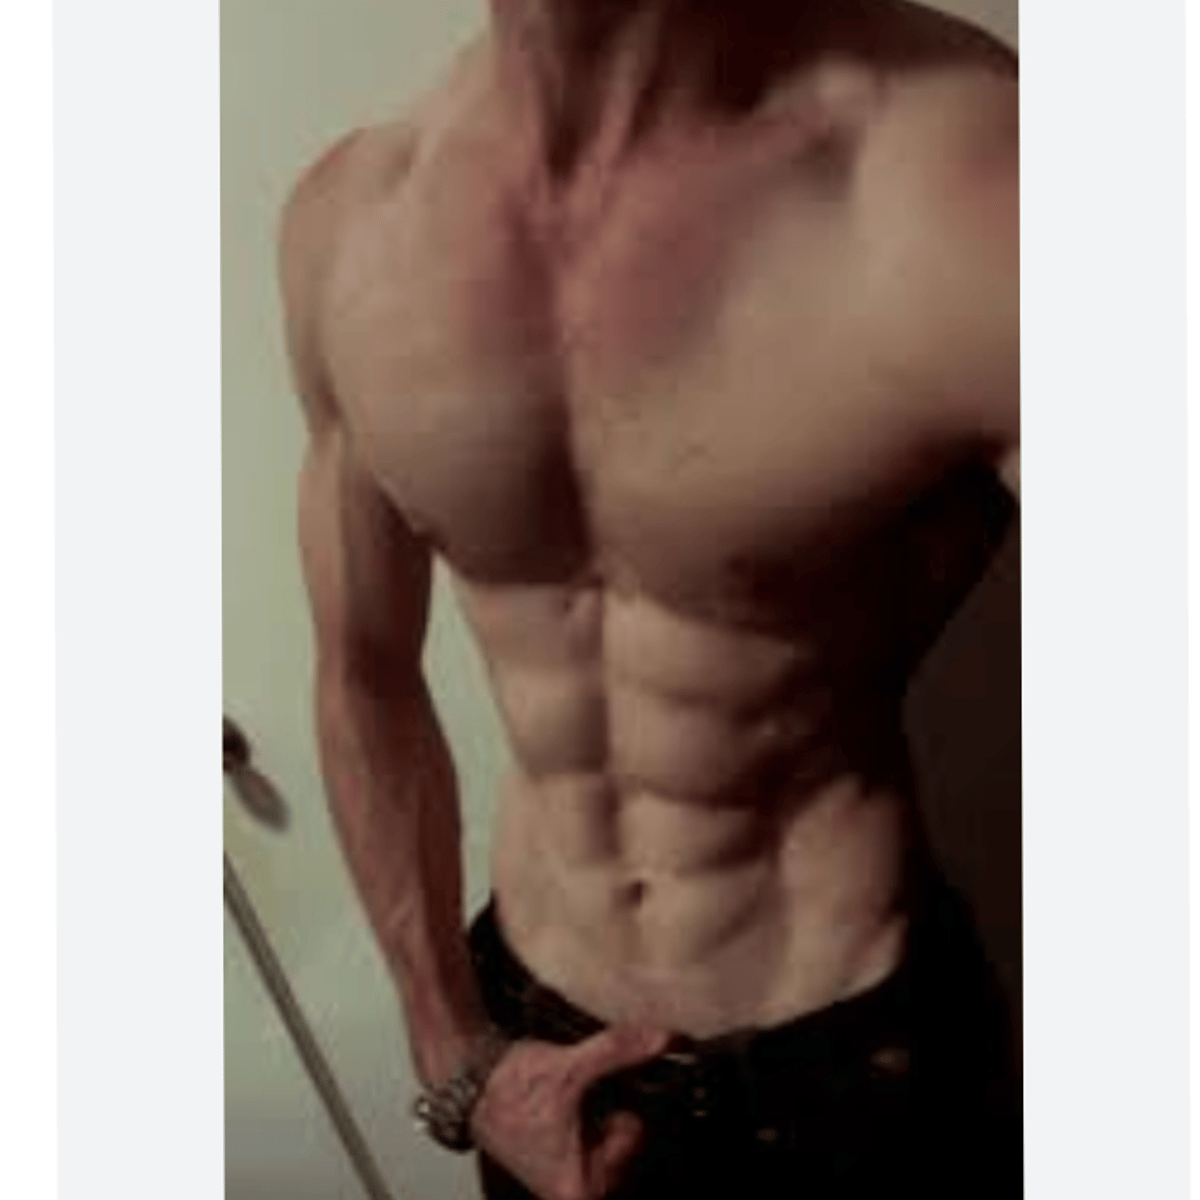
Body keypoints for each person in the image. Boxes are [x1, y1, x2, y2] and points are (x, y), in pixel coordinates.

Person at [280, 0, 1019, 1196]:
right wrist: (454, 1050)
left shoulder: (975, 180)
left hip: (852, 1081)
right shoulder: (351, 223)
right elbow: (363, 675)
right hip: (536, 1053)